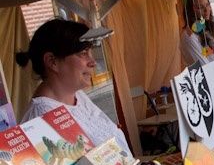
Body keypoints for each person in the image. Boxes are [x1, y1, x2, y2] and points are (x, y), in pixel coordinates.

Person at [16, 18, 131, 153]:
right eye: (83, 53)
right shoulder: (42, 119)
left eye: (90, 52)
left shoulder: (77, 96)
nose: (93, 62)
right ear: (52, 61)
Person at [180, 0, 214, 65]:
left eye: (207, 5)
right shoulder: (188, 36)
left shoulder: (207, 29)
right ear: (191, 12)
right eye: (200, 7)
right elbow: (204, 66)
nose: (206, 10)